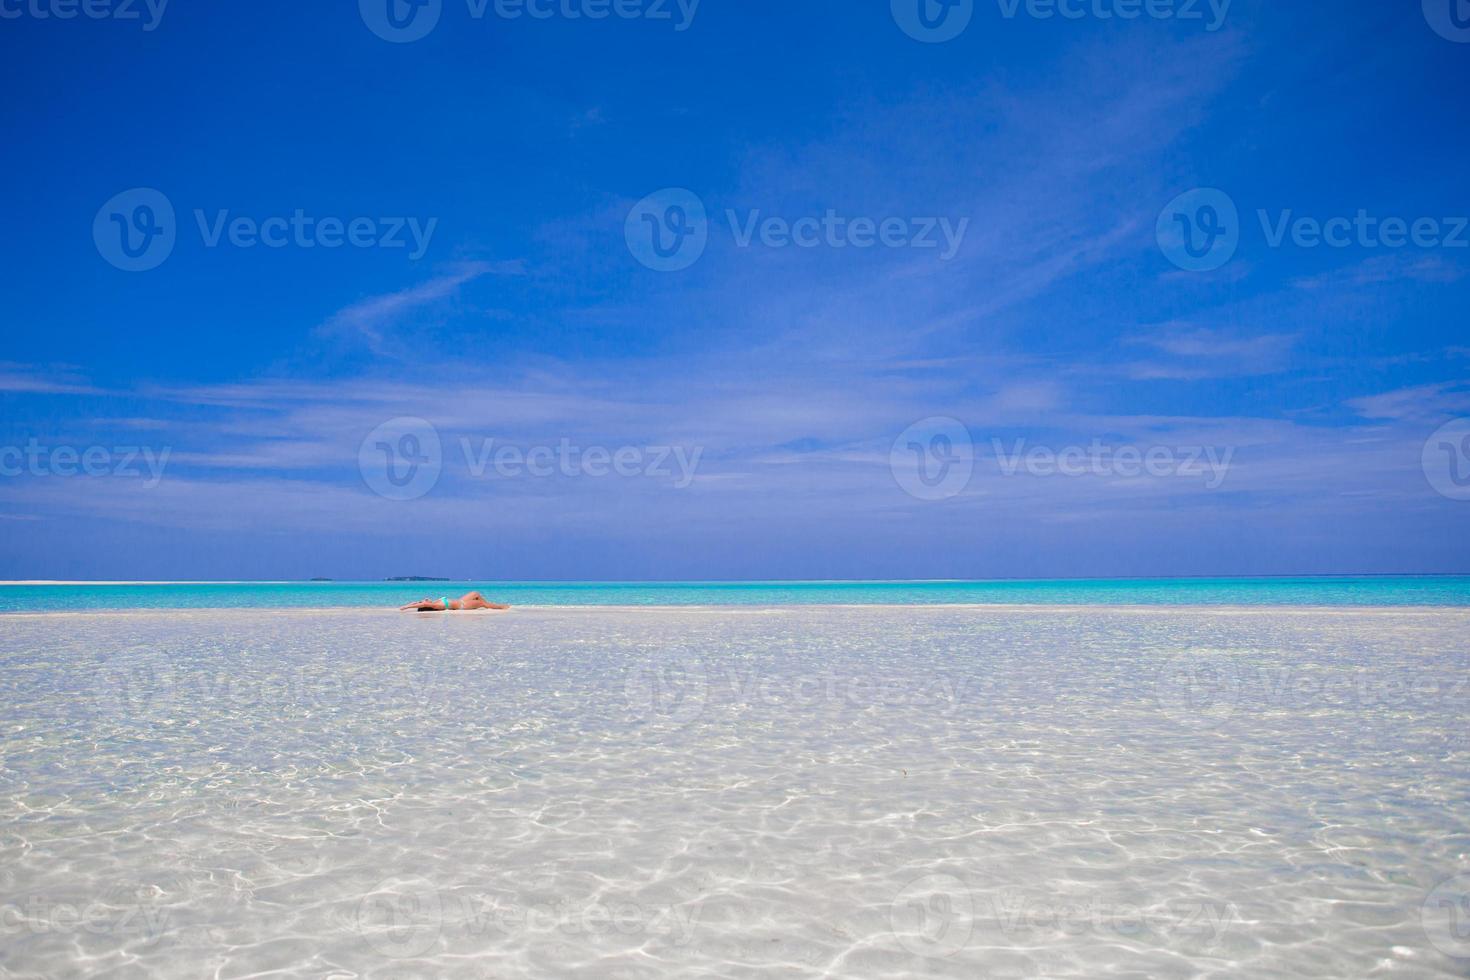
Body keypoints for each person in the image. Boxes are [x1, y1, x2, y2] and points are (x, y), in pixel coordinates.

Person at [398, 591, 510, 612]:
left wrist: (412, 603)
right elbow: (423, 604)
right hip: (463, 605)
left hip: (461, 601)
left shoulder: (437, 602)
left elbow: (420, 604)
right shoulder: (435, 606)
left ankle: (492, 606)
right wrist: (405, 607)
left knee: (475, 593)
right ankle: (502, 607)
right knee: (482, 603)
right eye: (423, 601)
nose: (425, 599)